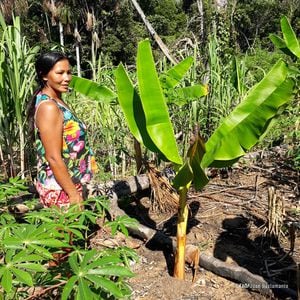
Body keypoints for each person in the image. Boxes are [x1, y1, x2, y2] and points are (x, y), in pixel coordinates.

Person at [27, 51, 97, 209]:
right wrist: (73, 193)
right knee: (67, 233)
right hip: (61, 189)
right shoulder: (49, 107)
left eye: (69, 72)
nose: (67, 78)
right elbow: (52, 157)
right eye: (60, 73)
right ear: (44, 75)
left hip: (68, 182)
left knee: (75, 233)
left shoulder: (56, 100)